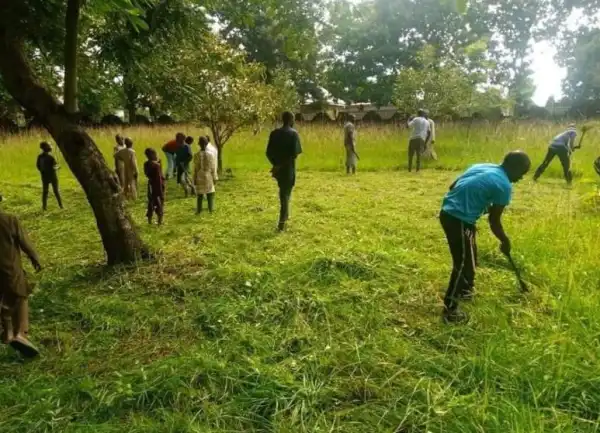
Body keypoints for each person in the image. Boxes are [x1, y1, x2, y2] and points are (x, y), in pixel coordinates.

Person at [439, 151, 531, 324]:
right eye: (521, 173)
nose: (521, 178)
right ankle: (449, 311)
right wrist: (505, 240)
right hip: (459, 220)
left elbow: (453, 186)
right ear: (514, 167)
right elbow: (494, 221)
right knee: (464, 265)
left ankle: (465, 290)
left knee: (471, 256)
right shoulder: (504, 185)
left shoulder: (482, 166)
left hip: (448, 213)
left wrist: (476, 201)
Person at [0, 194, 42, 358]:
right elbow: (24, 242)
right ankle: (21, 334)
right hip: (10, 267)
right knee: (21, 295)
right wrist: (35, 258)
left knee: (3, 297)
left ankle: (7, 334)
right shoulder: (10, 220)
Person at [266, 112, 303, 231]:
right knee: (285, 193)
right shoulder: (293, 134)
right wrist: (281, 165)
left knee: (284, 191)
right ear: (291, 120)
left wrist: (275, 164)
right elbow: (294, 154)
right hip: (288, 169)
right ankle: (282, 222)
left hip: (278, 169)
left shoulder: (274, 133)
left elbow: (268, 152)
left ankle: (285, 215)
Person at [193, 137, 218, 214]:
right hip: (208, 176)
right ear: (207, 144)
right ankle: (211, 209)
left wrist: (194, 178)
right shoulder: (210, 155)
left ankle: (199, 210)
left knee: (199, 194)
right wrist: (215, 178)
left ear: (199, 144)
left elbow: (195, 168)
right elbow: (213, 168)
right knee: (210, 193)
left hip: (199, 175)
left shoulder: (196, 155)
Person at [36, 142, 63, 211]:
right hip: (52, 176)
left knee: (45, 192)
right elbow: (54, 167)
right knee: (56, 191)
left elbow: (38, 166)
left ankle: (44, 207)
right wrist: (58, 167)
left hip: (44, 177)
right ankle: (61, 206)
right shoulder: (50, 157)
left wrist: (43, 172)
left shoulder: (39, 157)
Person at [143, 148, 165, 225]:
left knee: (150, 202)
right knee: (159, 203)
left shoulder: (146, 164)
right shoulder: (156, 165)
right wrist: (159, 165)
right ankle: (159, 221)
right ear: (152, 155)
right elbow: (159, 177)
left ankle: (149, 219)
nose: (156, 156)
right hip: (158, 186)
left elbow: (147, 173)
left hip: (150, 185)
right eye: (155, 154)